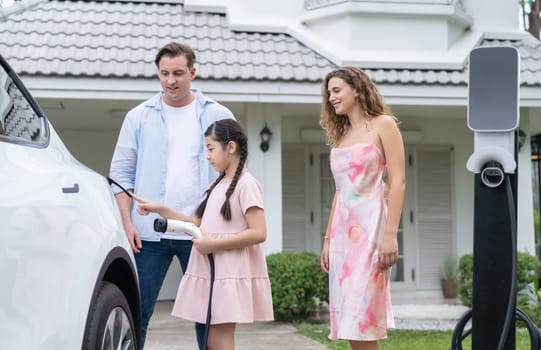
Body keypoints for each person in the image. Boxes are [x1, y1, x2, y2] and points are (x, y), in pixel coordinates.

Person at [109, 42, 234, 349]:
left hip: (201, 231)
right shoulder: (138, 117)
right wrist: (127, 223)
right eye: (164, 73)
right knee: (137, 310)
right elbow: (121, 177)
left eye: (178, 73)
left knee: (209, 315)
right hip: (149, 235)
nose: (171, 80)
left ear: (193, 72)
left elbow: (234, 173)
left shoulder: (218, 115)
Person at [132, 119, 274, 350]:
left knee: (221, 335)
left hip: (230, 271)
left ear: (230, 147)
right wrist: (161, 209)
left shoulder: (247, 184)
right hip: (214, 270)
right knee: (213, 338)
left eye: (210, 149)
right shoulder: (216, 185)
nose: (207, 156)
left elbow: (259, 232)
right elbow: (195, 223)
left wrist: (214, 245)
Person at [319, 66, 405, 350]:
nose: (331, 97)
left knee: (364, 316)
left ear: (357, 89)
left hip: (371, 231)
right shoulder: (342, 134)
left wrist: (391, 235)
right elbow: (340, 192)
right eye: (328, 92)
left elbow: (398, 181)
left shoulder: (383, 124)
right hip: (343, 237)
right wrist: (328, 239)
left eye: (336, 90)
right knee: (351, 321)